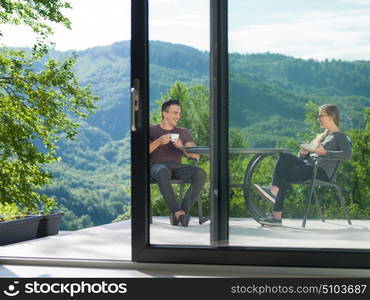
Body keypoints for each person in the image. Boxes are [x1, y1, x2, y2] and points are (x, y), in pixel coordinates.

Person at [254, 104, 352, 226]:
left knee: (283, 168)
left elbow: (347, 155)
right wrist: (303, 153)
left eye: (320, 115)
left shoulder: (340, 136)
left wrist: (326, 152)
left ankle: (272, 193)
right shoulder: (322, 137)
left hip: (320, 171)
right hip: (309, 166)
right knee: (284, 161)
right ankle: (276, 215)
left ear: (330, 116)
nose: (318, 119)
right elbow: (308, 157)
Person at [149, 99, 206, 226]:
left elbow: (196, 155)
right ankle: (175, 211)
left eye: (179, 113)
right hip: (156, 168)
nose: (178, 116)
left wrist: (181, 147)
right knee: (162, 171)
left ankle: (182, 213)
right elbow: (141, 152)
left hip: (177, 168)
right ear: (165, 114)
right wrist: (158, 142)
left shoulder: (182, 132)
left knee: (200, 174)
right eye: (175, 113)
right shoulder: (151, 130)